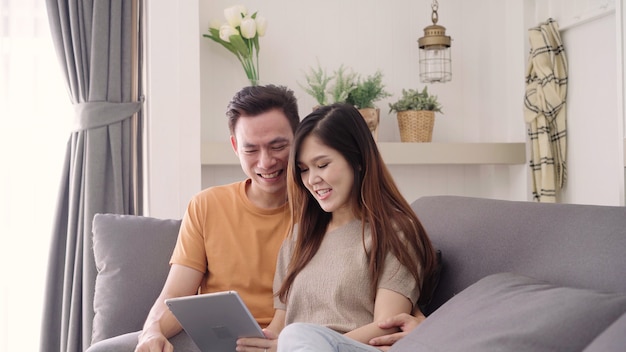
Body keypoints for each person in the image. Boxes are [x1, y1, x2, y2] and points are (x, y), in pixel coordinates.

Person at [236, 103, 438, 352]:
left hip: (353, 348)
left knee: (297, 335)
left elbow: (387, 327)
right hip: (296, 347)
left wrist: (304, 341)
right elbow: (280, 325)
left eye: (322, 165)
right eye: (303, 170)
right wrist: (263, 342)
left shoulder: (396, 232)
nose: (312, 180)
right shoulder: (299, 237)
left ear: (358, 159)